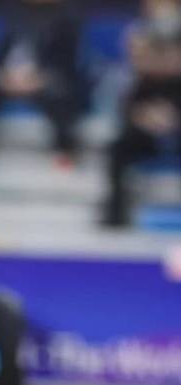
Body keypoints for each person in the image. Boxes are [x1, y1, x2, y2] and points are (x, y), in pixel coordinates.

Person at [103, 0, 181, 227]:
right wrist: (143, 117)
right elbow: (128, 106)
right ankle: (116, 212)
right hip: (145, 119)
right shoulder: (138, 32)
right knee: (119, 146)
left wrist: (173, 119)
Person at [0, 0, 85, 161]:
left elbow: (66, 66)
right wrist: (3, 76)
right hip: (9, 79)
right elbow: (0, 56)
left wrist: (37, 80)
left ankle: (64, 152)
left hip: (46, 80)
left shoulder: (67, 20)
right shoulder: (14, 17)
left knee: (60, 95)